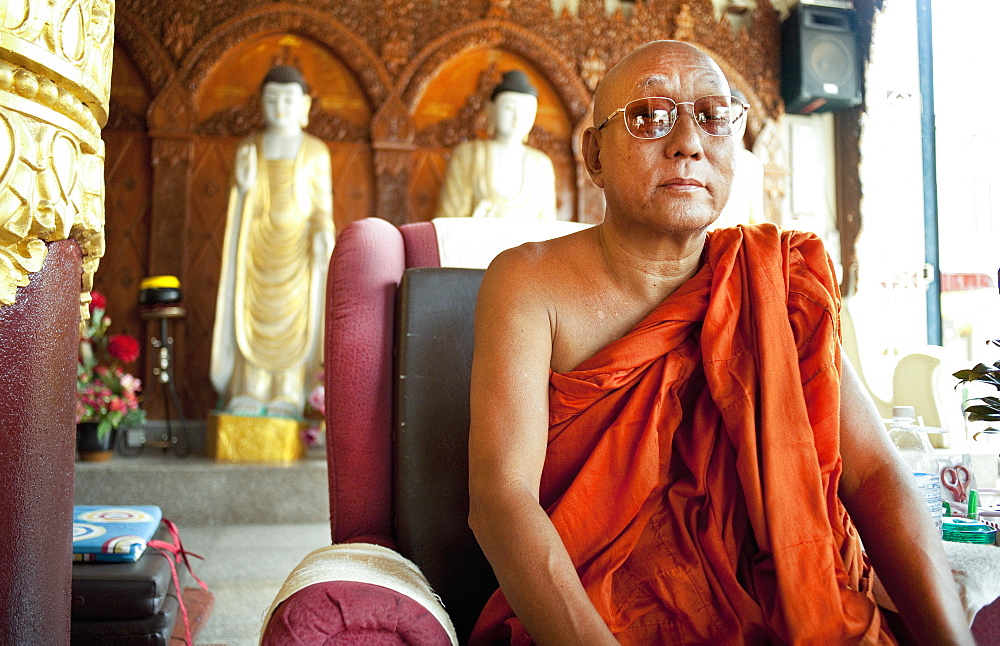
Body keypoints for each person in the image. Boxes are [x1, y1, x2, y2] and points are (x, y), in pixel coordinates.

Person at [467, 41, 973, 644]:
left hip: (787, 611)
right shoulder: (528, 282)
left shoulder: (773, 280)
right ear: (594, 155)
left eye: (712, 116)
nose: (687, 142)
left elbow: (871, 476)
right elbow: (502, 498)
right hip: (594, 614)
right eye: (649, 115)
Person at [210, 65, 334, 419]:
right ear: (261, 103)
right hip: (255, 249)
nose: (281, 107)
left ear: (305, 105)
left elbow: (322, 206)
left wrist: (324, 231)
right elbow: (240, 202)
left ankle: (289, 390)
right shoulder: (249, 147)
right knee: (249, 315)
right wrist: (243, 186)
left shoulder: (316, 151)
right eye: (272, 99)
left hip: (298, 252)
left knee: (296, 323)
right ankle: (250, 387)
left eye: (289, 99)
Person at [435, 69, 558, 220]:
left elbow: (548, 228)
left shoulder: (542, 164)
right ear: (491, 110)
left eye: (526, 110)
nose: (517, 118)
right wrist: (474, 223)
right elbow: (448, 221)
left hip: (528, 244)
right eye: (509, 108)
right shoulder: (467, 155)